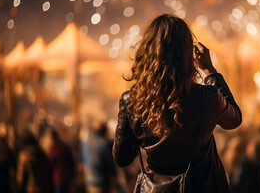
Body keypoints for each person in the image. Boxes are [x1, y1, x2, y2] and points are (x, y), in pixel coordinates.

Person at [113, 14, 242, 192]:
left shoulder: (131, 102)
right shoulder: (207, 97)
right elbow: (233, 119)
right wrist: (210, 72)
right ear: (187, 54)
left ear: (147, 52)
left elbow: (122, 157)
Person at [80, 121, 117, 193]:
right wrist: (114, 176)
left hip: (89, 180)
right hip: (102, 181)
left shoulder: (85, 143)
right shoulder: (104, 143)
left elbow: (83, 161)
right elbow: (109, 163)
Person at [45, 128, 76, 193]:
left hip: (57, 179)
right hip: (66, 177)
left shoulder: (52, 150)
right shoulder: (65, 147)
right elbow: (71, 162)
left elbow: (49, 165)